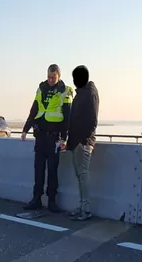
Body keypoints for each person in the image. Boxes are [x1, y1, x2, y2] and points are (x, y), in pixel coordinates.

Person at [21, 64, 73, 212]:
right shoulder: (41, 88)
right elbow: (34, 109)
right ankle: (36, 199)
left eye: (53, 77)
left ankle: (52, 201)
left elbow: (67, 117)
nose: (50, 80)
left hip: (54, 138)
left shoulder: (65, 91)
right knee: (38, 169)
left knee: (52, 171)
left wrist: (64, 138)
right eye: (48, 77)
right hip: (40, 136)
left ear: (59, 76)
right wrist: (25, 129)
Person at [66, 65, 99, 221]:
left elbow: (92, 121)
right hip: (76, 142)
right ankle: (82, 206)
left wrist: (84, 141)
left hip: (83, 142)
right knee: (80, 176)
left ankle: (85, 209)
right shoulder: (81, 94)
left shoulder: (90, 94)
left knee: (83, 175)